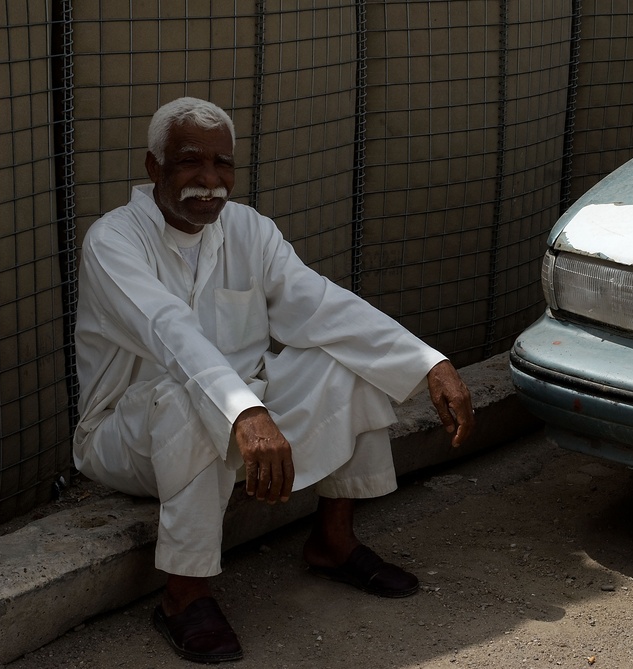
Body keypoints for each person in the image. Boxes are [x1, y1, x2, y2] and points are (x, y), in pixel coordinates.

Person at [72, 97, 475, 663]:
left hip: (245, 419)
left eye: (223, 165)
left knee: (345, 357)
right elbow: (170, 332)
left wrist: (427, 362)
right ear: (153, 168)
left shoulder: (249, 229)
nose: (209, 181)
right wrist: (244, 410)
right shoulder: (113, 241)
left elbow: (320, 305)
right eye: (191, 163)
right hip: (130, 433)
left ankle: (334, 542)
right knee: (187, 397)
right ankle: (184, 596)